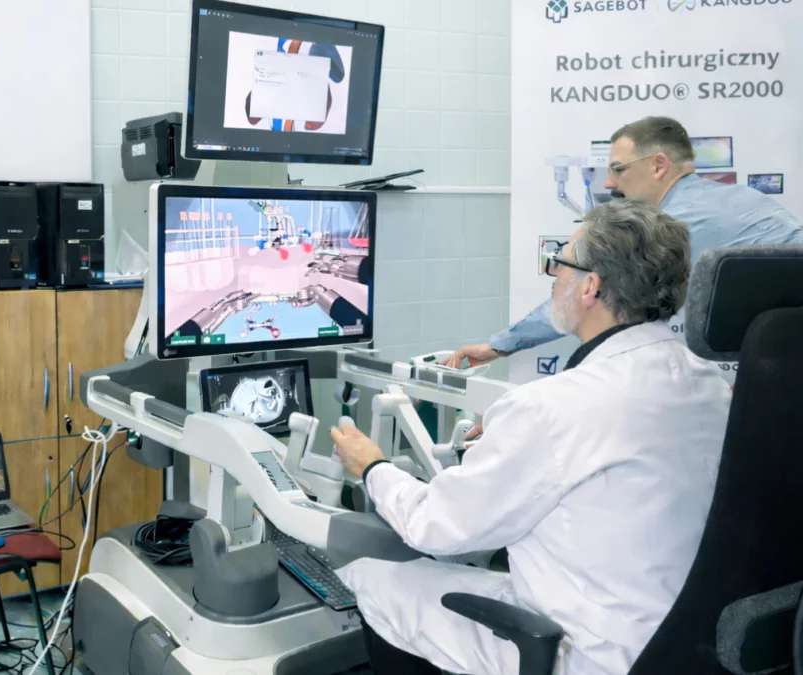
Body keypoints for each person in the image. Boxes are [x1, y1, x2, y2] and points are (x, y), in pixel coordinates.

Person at [330, 200, 732, 675]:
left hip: (589, 652)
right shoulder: (713, 381)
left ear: (590, 286)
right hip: (686, 643)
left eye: (559, 264)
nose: (554, 277)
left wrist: (373, 467)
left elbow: (435, 526)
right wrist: (514, 437)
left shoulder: (554, 408)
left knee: (375, 578)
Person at [446, 115, 803, 370]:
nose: (609, 183)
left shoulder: (675, 223)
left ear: (659, 165)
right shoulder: (741, 199)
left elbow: (580, 294)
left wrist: (499, 344)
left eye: (618, 168)